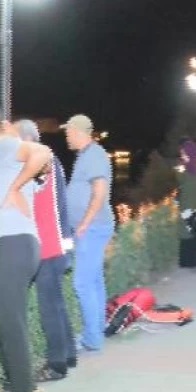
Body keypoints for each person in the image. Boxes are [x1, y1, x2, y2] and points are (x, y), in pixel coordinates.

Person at [0, 102, 52, 392]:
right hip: (6, 247)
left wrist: (16, 187)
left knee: (10, 324)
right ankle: (23, 386)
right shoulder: (2, 152)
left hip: (13, 245)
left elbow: (43, 153)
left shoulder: (4, 146)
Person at [13, 119, 77, 382]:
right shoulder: (50, 159)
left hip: (47, 247)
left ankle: (56, 365)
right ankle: (69, 353)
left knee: (48, 307)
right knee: (57, 302)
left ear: (27, 139)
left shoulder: (40, 160)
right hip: (57, 244)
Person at [61, 114, 115, 352]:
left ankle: (92, 338)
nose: (66, 136)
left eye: (68, 132)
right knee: (93, 281)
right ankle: (97, 329)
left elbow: (99, 190)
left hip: (92, 228)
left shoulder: (93, 155)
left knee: (82, 283)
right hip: (93, 226)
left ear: (77, 131)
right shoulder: (86, 155)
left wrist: (84, 223)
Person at [176, 139, 196, 268]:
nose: (182, 156)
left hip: (187, 206)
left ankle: (188, 261)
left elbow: (179, 181)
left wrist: (180, 167)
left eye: (184, 153)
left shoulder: (184, 170)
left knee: (186, 232)